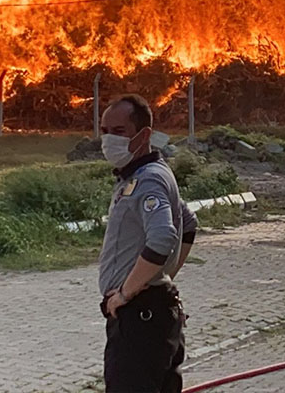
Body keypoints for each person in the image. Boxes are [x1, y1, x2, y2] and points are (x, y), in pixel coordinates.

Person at [97, 94, 198, 393]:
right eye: (104, 131)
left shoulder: (148, 180)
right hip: (155, 315)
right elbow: (188, 223)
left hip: (140, 322)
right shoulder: (151, 173)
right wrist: (161, 276)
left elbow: (164, 236)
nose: (108, 140)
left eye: (119, 132)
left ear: (144, 135)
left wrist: (127, 293)